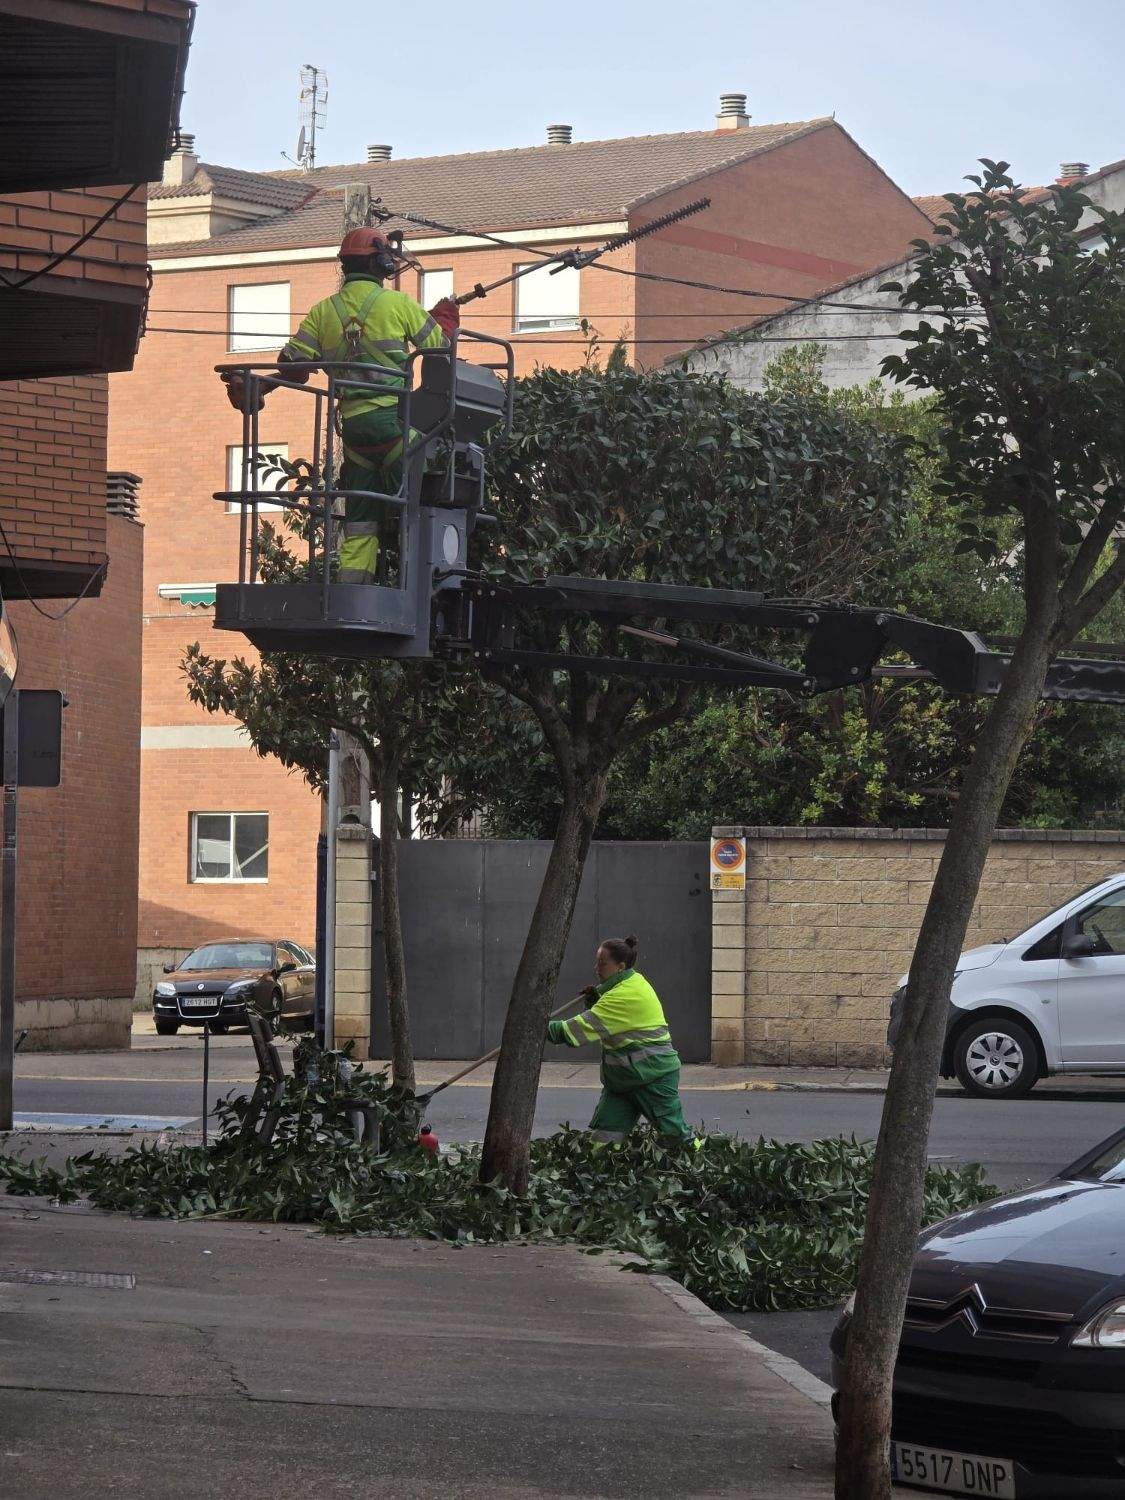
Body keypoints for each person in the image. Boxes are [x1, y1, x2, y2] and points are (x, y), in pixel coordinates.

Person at [224, 226, 461, 582]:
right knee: (427, 495)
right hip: (393, 426)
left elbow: (292, 365)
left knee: (362, 519)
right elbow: (440, 346)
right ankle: (414, 584)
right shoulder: (397, 304)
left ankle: (354, 589)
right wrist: (444, 317)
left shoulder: (323, 312)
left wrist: (265, 388)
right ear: (381, 262)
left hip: (354, 436)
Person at [547, 935, 693, 1143]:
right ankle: (600, 1174)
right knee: (604, 1139)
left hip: (653, 1077)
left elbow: (571, 1032)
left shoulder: (623, 996)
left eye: (602, 963)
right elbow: (618, 1024)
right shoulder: (629, 982)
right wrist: (595, 998)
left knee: (675, 1136)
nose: (596, 968)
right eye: (597, 961)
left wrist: (533, 1028)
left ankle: (699, 1163)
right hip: (624, 1081)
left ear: (620, 966)